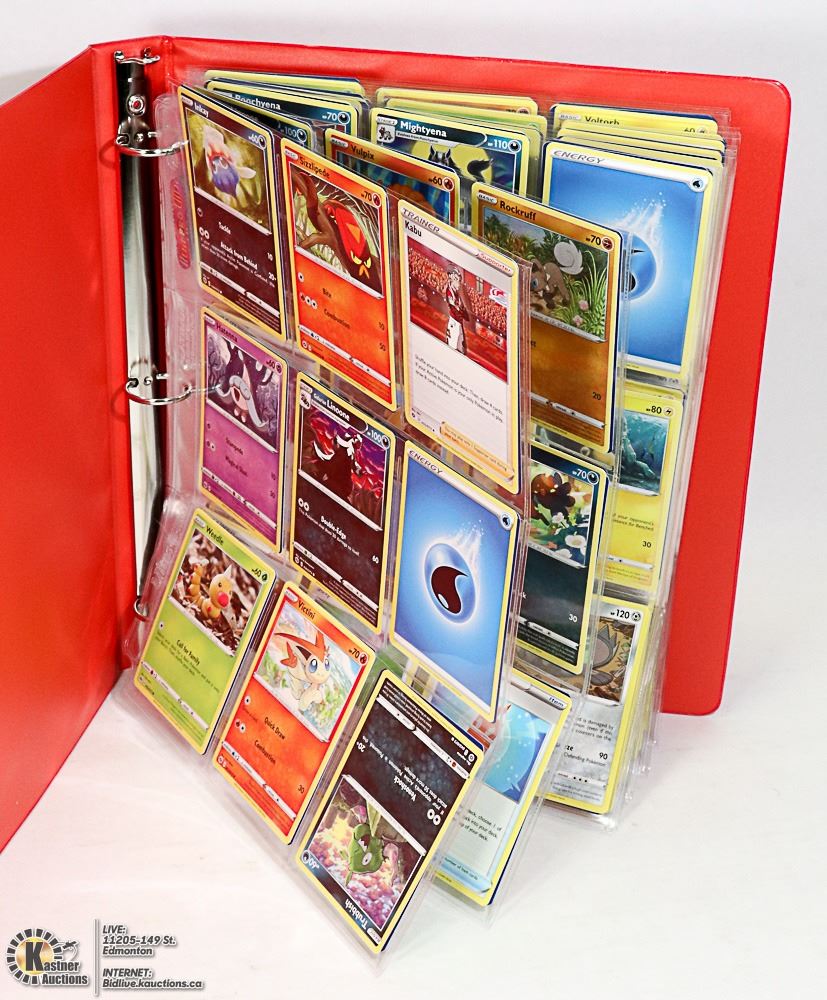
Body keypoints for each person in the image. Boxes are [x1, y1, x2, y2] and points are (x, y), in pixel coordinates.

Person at [444, 267, 472, 354]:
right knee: (453, 348)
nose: (459, 283)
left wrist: (463, 312)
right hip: (455, 323)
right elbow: (455, 309)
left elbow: (466, 315)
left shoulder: (457, 295)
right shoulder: (449, 292)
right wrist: (461, 311)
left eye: (459, 280)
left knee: (461, 349)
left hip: (459, 323)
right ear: (452, 279)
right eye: (457, 280)